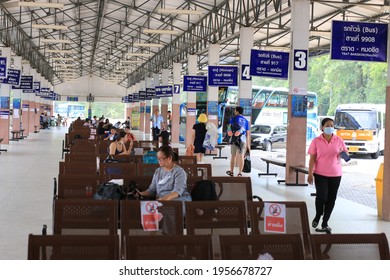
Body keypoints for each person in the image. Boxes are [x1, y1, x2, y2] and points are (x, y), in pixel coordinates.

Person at [308, 117, 349, 232]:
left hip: (335, 174)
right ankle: (318, 215)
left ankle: (325, 222)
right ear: (322, 127)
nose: (330, 127)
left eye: (332, 125)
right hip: (320, 174)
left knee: (331, 199)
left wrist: (344, 153)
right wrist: (310, 173)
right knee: (322, 196)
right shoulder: (316, 141)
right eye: (327, 125)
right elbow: (312, 158)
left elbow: (346, 157)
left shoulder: (339, 140)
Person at [226, 106, 250, 177]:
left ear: (237, 111)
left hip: (234, 140)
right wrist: (248, 144)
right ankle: (240, 173)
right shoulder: (246, 121)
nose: (234, 111)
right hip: (243, 140)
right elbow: (248, 133)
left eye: (235, 110)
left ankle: (231, 172)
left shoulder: (233, 119)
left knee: (233, 156)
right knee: (241, 156)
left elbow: (229, 130)